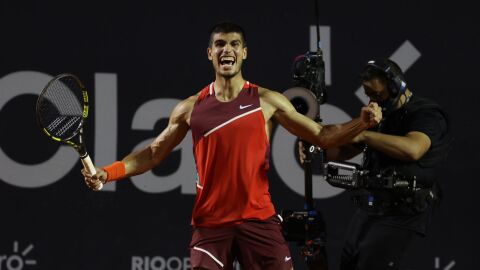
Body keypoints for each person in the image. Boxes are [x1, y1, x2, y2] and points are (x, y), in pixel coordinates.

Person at [82, 22, 382, 270]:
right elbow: (152, 153)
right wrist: (108, 173)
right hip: (211, 226)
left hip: (259, 221)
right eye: (221, 44)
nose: (228, 49)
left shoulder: (266, 101)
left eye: (235, 44)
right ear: (210, 53)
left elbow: (321, 135)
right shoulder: (190, 108)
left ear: (245, 53)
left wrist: (361, 122)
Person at [300, 58, 450, 270]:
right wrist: (315, 147)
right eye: (368, 94)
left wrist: (364, 135)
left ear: (396, 86)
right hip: (372, 206)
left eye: (377, 94)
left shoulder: (426, 113)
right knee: (348, 262)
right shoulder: (379, 116)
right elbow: (340, 152)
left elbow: (413, 149)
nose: (372, 100)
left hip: (404, 211)